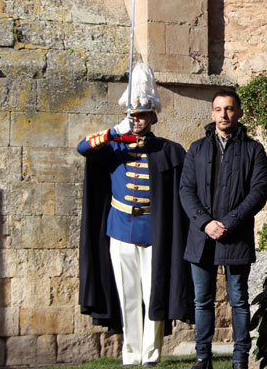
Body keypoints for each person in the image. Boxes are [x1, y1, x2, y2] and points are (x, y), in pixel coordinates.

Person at [77, 63, 193, 366]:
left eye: (142, 115)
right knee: (127, 294)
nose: (137, 120)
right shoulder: (114, 145)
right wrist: (115, 132)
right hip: (119, 228)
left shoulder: (167, 149)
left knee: (152, 293)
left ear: (152, 117)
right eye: (133, 115)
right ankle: (130, 354)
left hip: (152, 229)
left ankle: (151, 354)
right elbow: (82, 148)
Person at [179, 88, 267, 369]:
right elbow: (186, 190)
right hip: (201, 236)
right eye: (218, 109)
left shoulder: (253, 149)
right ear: (212, 113)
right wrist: (205, 223)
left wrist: (228, 223)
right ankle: (202, 356)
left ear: (239, 113)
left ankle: (241, 357)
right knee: (202, 301)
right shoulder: (197, 148)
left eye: (229, 109)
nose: (224, 114)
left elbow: (258, 192)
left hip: (236, 236)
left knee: (239, 299)